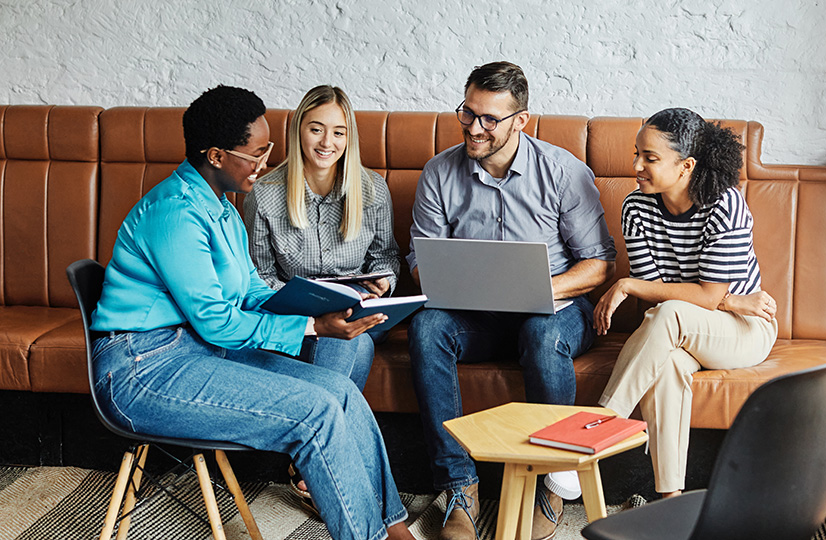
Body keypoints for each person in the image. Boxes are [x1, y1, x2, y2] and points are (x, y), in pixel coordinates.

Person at [90, 85, 414, 540]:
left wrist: (331, 304)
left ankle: (393, 527)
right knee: (315, 412)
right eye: (257, 153)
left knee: (339, 389)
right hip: (143, 370)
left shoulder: (219, 206)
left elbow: (251, 290)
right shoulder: (176, 214)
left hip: (195, 350)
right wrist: (310, 325)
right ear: (218, 156)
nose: (266, 163)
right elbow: (218, 321)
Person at [406, 61, 617, 540]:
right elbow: (420, 259)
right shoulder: (440, 173)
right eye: (468, 113)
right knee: (426, 327)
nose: (474, 128)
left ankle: (549, 482)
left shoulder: (563, 171)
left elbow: (599, 265)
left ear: (520, 120)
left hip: (557, 312)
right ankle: (460, 486)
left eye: (489, 119)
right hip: (476, 317)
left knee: (540, 333)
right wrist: (445, 282)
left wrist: (537, 291)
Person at [594, 107, 779, 499]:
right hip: (682, 327)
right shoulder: (637, 208)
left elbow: (702, 296)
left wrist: (630, 284)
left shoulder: (723, 205)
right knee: (668, 363)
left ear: (686, 166)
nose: (636, 165)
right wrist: (731, 300)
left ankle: (598, 429)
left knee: (672, 313)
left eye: (650, 158)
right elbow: (658, 295)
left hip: (745, 331)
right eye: (636, 153)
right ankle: (669, 500)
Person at [244, 84, 401, 390]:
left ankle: (308, 425)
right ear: (298, 130)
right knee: (357, 345)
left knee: (352, 334)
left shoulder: (373, 189)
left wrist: (384, 282)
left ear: (348, 138)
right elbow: (258, 276)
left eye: (339, 132)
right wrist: (309, 307)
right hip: (297, 315)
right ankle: (326, 432)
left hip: (360, 307)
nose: (327, 142)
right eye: (316, 129)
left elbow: (386, 257)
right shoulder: (264, 195)